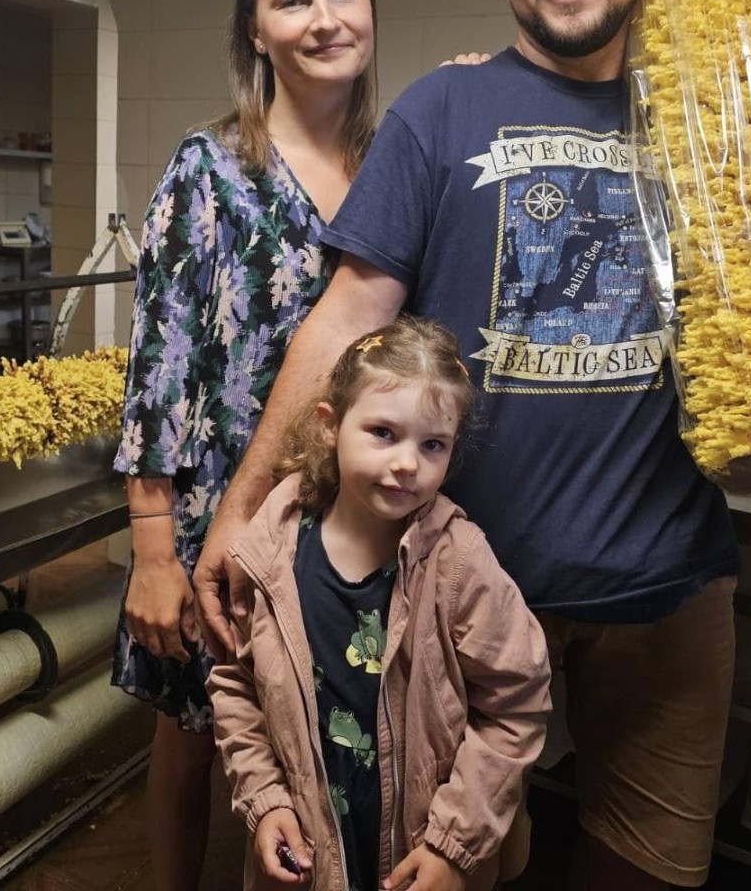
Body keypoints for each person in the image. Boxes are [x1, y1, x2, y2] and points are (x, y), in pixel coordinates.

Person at [193, 0, 751, 891]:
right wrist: (237, 510)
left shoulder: (725, 109)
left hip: (669, 593)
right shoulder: (441, 110)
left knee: (649, 873)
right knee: (451, 865)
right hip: (458, 591)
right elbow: (348, 311)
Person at [111, 0, 378, 891]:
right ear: (256, 32)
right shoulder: (212, 168)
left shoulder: (398, 164)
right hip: (216, 515)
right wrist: (153, 556)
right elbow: (160, 367)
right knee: (194, 737)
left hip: (350, 512)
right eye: (292, 0)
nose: (324, 18)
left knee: (320, 736)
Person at [209, 316, 551, 891]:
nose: (408, 463)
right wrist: (266, 800)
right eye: (383, 433)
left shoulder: (460, 563)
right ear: (329, 426)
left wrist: (453, 847)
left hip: (422, 858)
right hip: (308, 860)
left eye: (432, 444)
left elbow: (516, 707)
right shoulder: (270, 550)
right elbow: (236, 684)